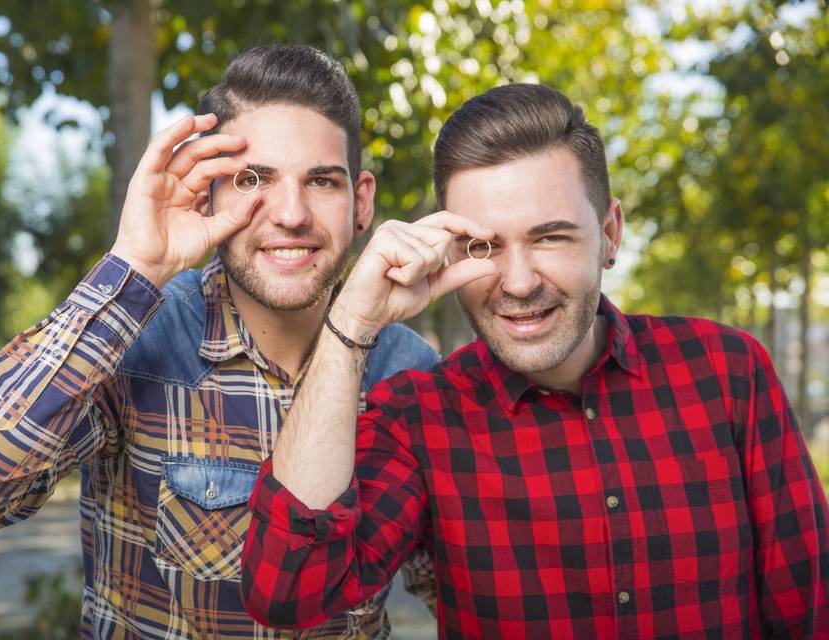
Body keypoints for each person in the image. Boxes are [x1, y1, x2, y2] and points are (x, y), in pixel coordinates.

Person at [241, 83, 829, 638]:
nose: (518, 283)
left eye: (550, 238)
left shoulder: (727, 372)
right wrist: (352, 324)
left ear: (609, 234)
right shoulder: (416, 417)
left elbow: (809, 610)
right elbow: (289, 592)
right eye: (483, 246)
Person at [0, 44, 439, 639]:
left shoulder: (409, 371)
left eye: (320, 181)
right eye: (253, 179)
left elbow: (466, 582)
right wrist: (134, 265)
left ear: (360, 201)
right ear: (206, 191)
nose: (291, 214)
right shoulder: (139, 342)